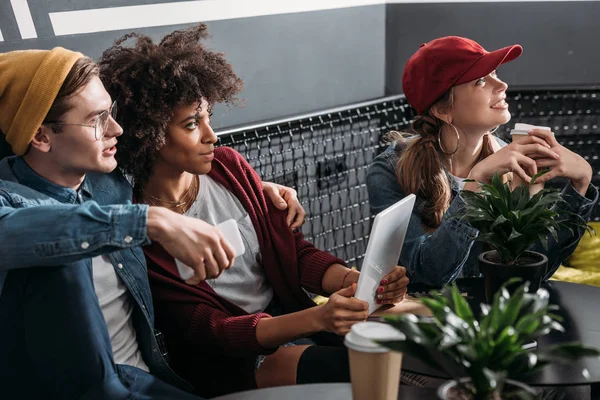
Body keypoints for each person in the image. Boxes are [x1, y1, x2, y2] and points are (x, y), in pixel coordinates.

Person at [98, 24, 410, 398]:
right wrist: (319, 317)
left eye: (208, 117)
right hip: (235, 362)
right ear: (148, 134)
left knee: (405, 351)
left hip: (296, 322)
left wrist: (350, 279)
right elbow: (211, 330)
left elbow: (295, 254)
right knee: (365, 372)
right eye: (192, 124)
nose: (212, 135)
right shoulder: (145, 230)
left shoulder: (229, 167)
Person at [0, 47, 306, 400]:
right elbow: (22, 231)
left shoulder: (109, 180)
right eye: (97, 119)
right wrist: (151, 220)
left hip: (150, 379)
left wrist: (259, 192)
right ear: (41, 137)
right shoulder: (10, 200)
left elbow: (165, 164)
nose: (115, 128)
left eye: (111, 112)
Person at [367, 36, 598, 287]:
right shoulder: (390, 170)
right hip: (427, 319)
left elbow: (530, 271)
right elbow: (426, 275)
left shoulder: (512, 159)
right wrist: (476, 183)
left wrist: (580, 186)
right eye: (480, 80)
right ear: (443, 110)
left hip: (495, 314)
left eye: (495, 73)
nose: (502, 84)